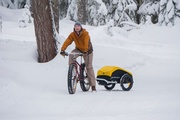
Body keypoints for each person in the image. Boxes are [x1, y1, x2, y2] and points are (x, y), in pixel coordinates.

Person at [60, 21, 96, 92]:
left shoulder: (85, 34)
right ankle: (72, 69)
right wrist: (62, 49)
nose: (77, 27)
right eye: (75, 26)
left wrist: (85, 50)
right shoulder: (73, 34)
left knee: (89, 67)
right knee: (71, 55)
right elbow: (68, 41)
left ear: (81, 27)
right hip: (78, 49)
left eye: (78, 26)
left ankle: (93, 86)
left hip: (88, 51)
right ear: (74, 27)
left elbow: (86, 43)